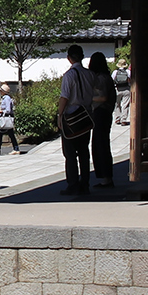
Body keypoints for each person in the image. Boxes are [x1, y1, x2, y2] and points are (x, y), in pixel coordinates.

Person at [58, 44, 93, 196]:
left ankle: (72, 183)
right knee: (84, 151)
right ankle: (85, 182)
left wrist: (59, 115)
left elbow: (65, 96)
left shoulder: (69, 75)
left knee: (70, 153)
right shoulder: (89, 74)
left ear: (69, 58)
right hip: (86, 114)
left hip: (72, 116)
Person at [89, 51, 116, 188]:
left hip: (100, 112)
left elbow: (103, 97)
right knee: (102, 144)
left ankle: (106, 177)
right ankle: (106, 177)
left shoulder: (101, 78)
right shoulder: (107, 77)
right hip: (105, 112)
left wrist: (88, 99)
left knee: (100, 145)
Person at [0, 83, 21, 155]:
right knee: (11, 134)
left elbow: (8, 110)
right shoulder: (7, 98)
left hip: (6, 119)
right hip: (6, 118)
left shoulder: (6, 99)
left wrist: (1, 111)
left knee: (0, 134)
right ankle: (16, 148)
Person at [113, 52, 133, 127]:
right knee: (125, 104)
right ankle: (124, 120)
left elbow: (113, 79)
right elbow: (131, 79)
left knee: (117, 104)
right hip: (126, 89)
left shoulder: (115, 72)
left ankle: (117, 118)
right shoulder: (128, 72)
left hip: (118, 89)